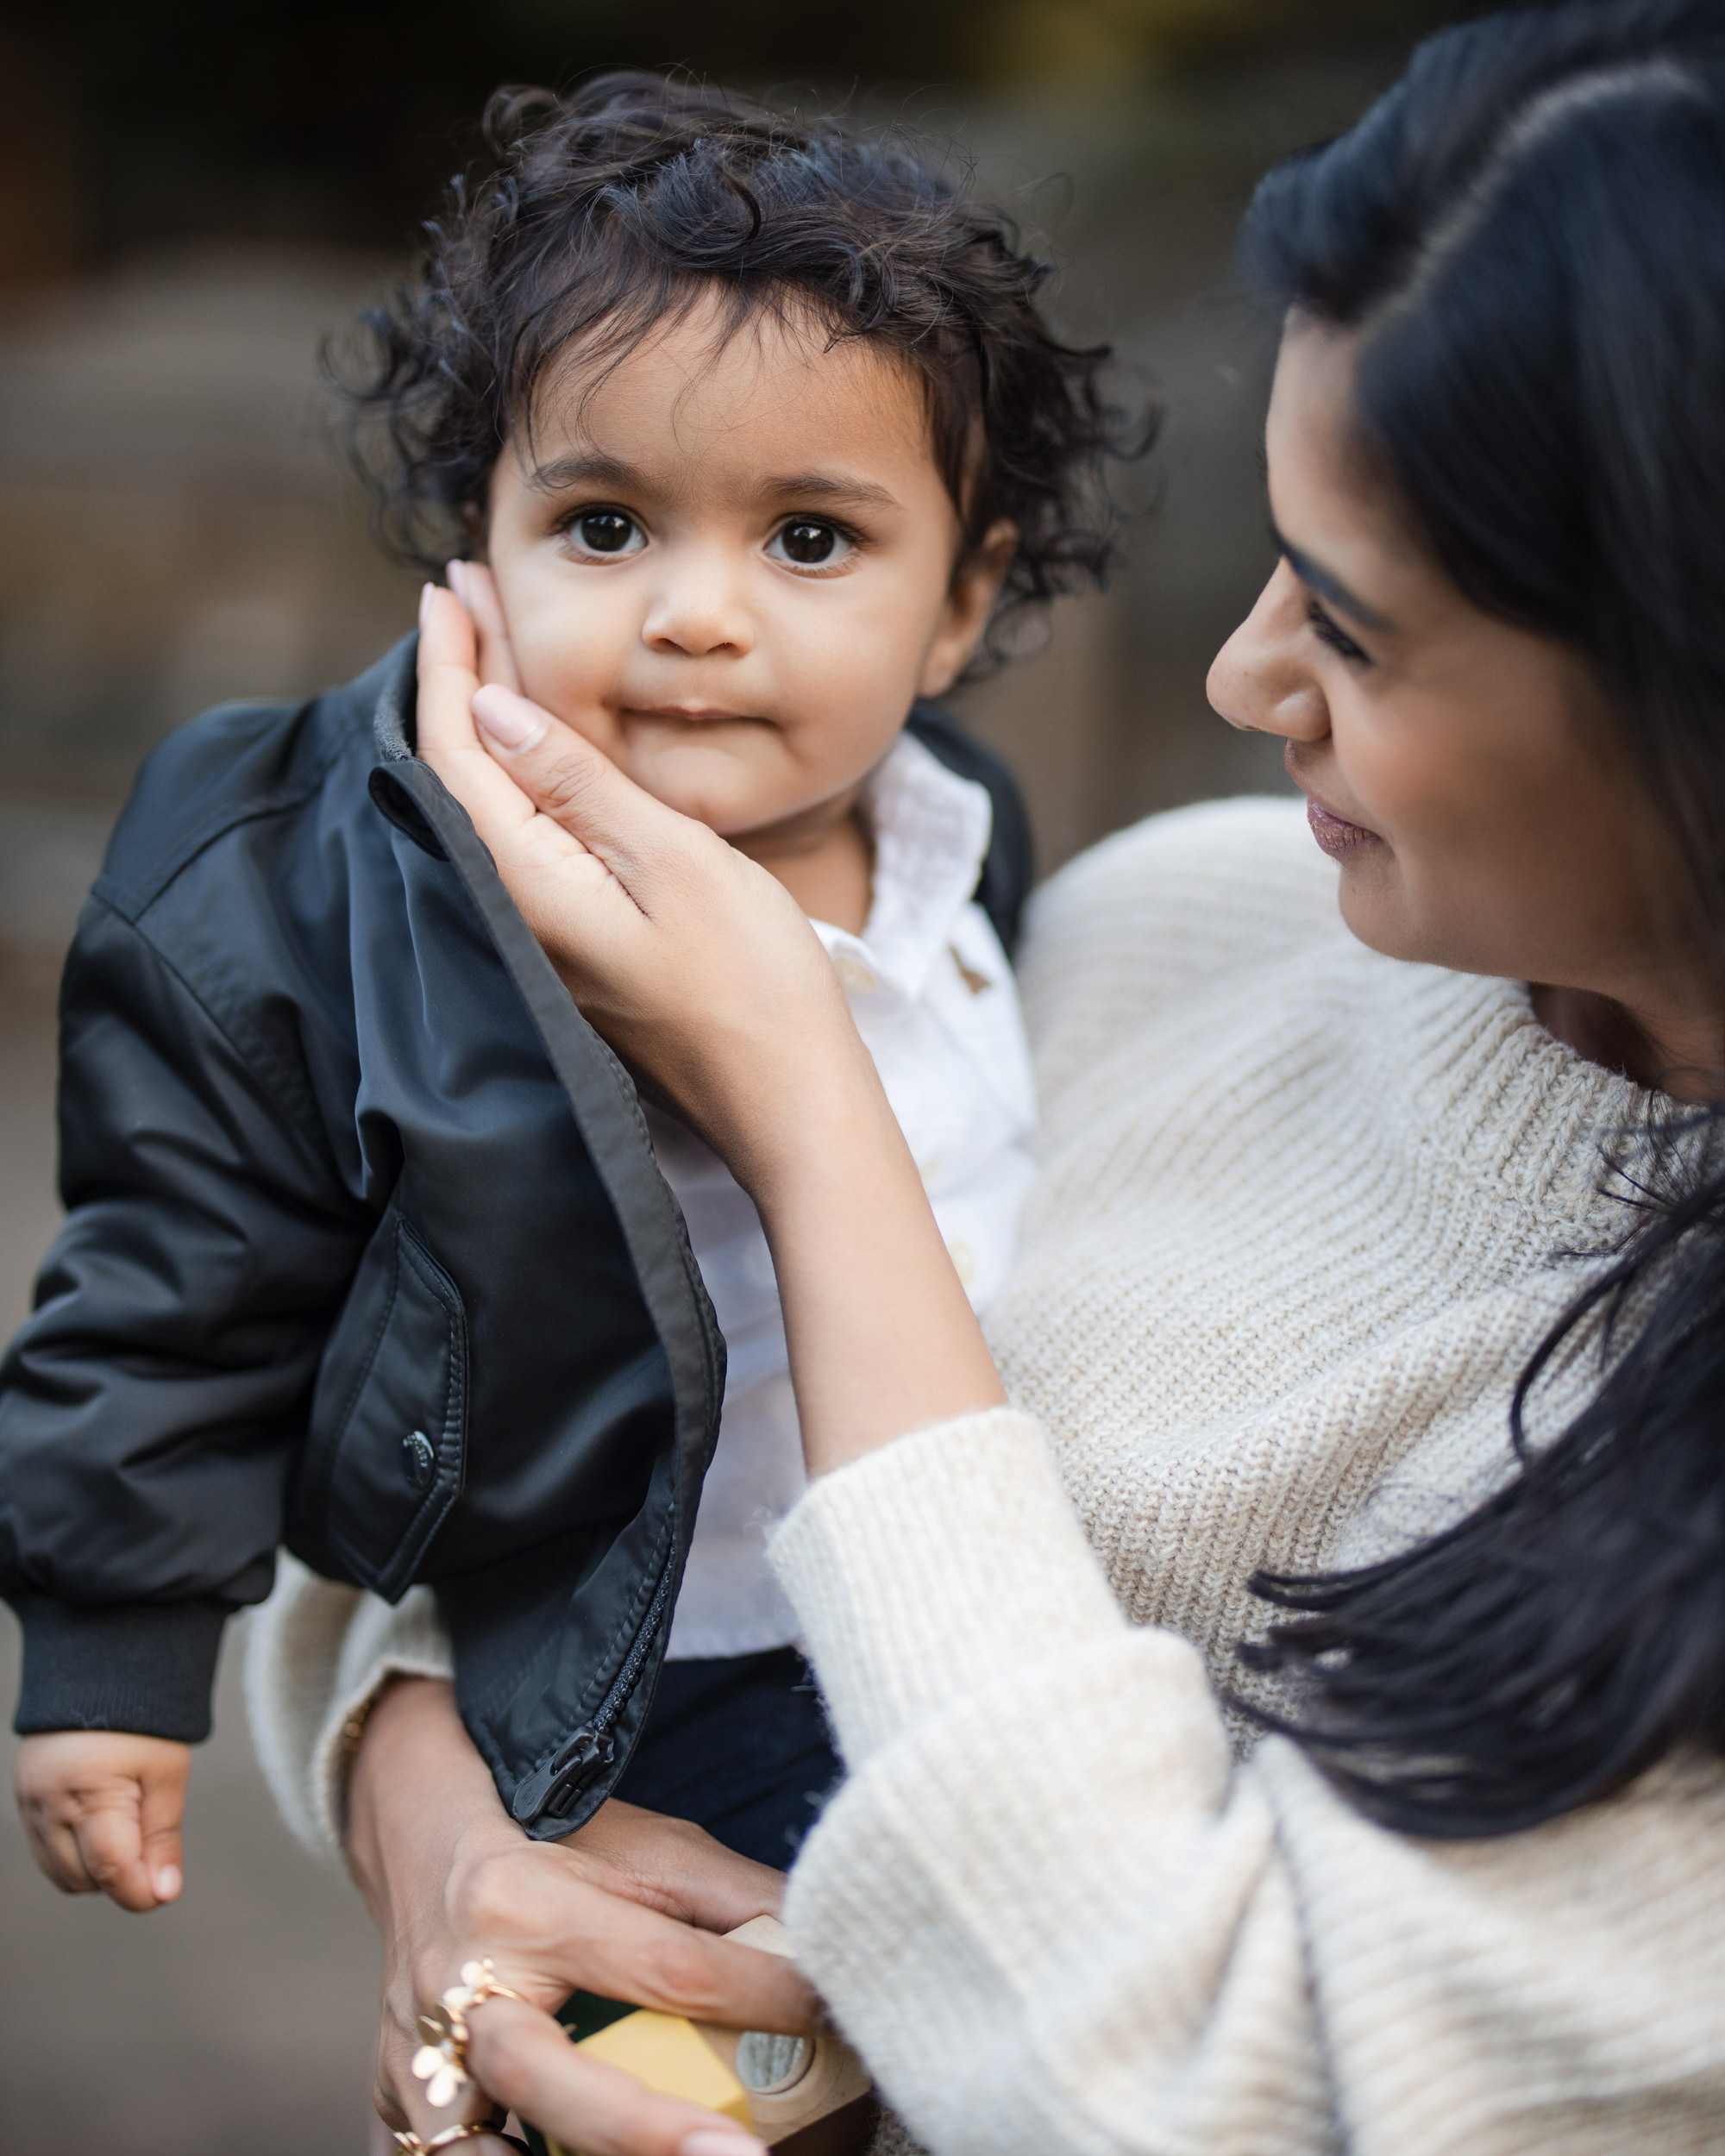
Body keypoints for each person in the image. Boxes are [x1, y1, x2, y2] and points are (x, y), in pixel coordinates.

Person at [258, 3, 1725, 2152]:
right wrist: (424, 1794)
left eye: (1356, 622)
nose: (1243, 677)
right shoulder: (1168, 922)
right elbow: (484, 1400)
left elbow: (1203, 2092)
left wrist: (805, 1099)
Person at [1, 71, 1135, 2047]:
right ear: (479, 553)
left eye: (808, 537)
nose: (696, 615)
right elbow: (176, 1277)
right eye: (604, 523)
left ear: (958, 602)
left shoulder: (966, 838)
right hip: (620, 1685)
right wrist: (113, 1643)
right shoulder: (340, 903)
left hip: (963, 1629)